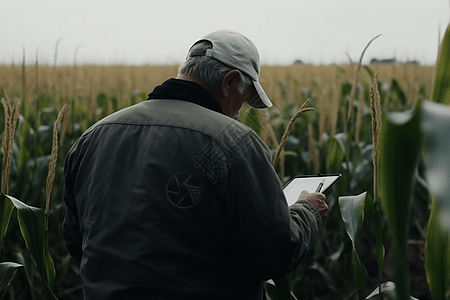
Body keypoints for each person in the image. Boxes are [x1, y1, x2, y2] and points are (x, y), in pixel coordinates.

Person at [63, 29, 328, 300]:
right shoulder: (234, 142)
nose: (239, 111)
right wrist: (307, 212)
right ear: (229, 82)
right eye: (245, 97)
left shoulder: (92, 138)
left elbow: (77, 242)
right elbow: (275, 254)